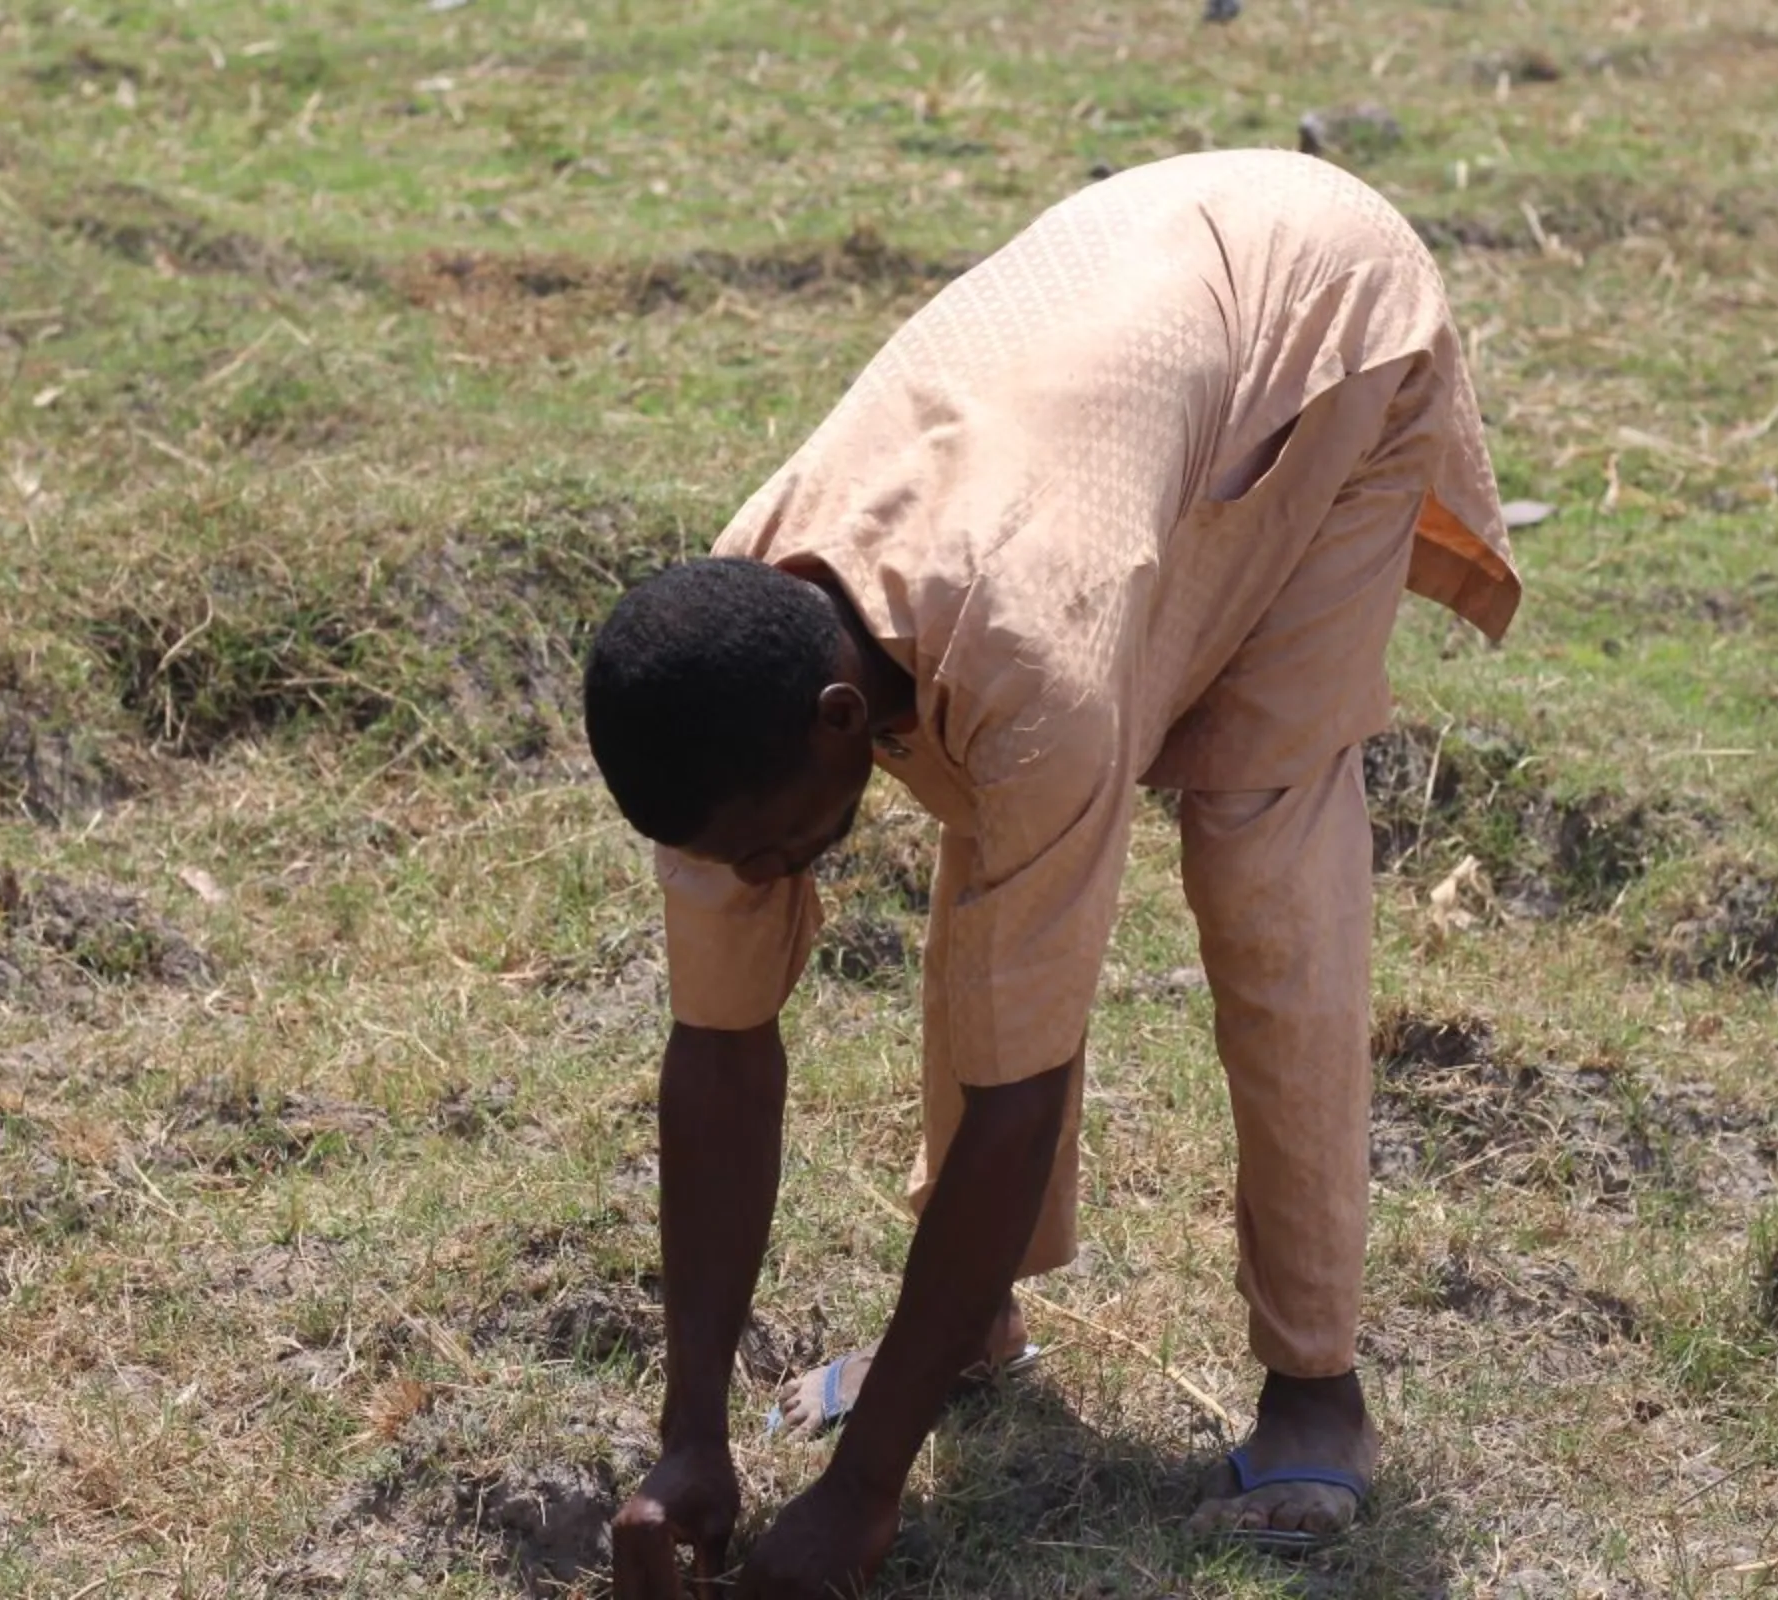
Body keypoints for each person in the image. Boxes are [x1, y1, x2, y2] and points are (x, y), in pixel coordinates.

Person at [581, 148, 1521, 1600]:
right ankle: (969, 1327)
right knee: (999, 855)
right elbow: (718, 1046)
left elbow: (1020, 1094)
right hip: (1134, 337)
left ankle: (1317, 1387)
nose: (764, 878)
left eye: (773, 850)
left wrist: (858, 1493)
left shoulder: (1034, 655)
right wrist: (687, 1440)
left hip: (1320, 327)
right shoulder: (725, 648)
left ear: (847, 722)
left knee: (1261, 858)